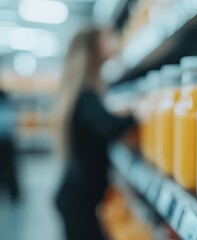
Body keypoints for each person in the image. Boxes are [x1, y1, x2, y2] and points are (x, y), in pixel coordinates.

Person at [55, 27, 137, 240]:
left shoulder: (82, 92)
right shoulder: (86, 94)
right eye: (107, 38)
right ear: (93, 48)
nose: (114, 41)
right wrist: (138, 113)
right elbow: (110, 126)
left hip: (77, 196)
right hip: (78, 200)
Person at [0, 88, 19, 202]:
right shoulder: (8, 106)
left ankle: (13, 193)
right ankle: (14, 194)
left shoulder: (6, 106)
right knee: (10, 169)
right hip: (8, 141)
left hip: (6, 141)